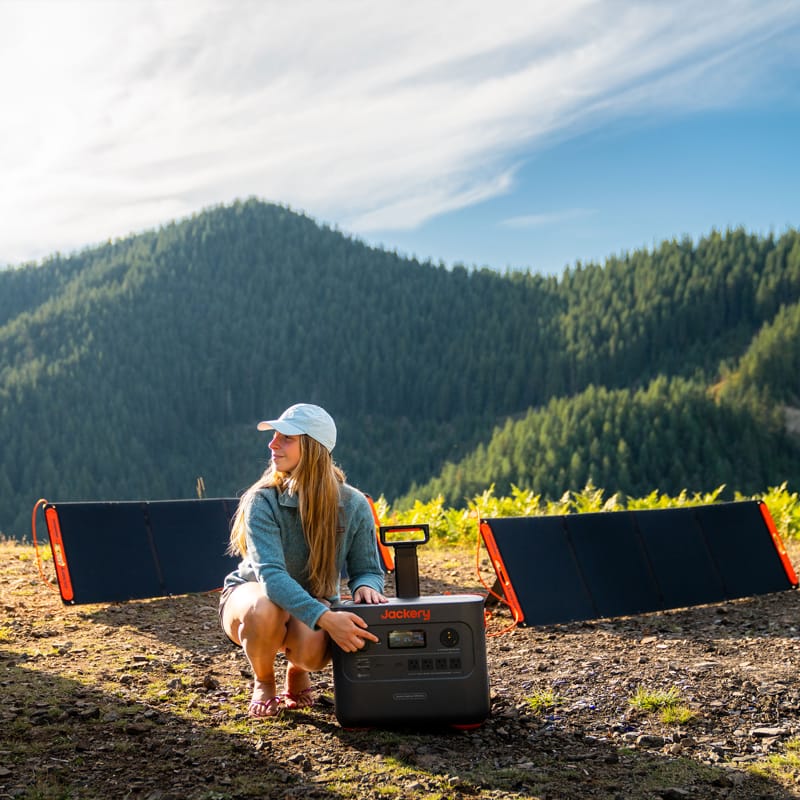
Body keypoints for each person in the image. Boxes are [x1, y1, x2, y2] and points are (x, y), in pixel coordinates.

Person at [220, 402, 388, 717]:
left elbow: (368, 569)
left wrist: (367, 586)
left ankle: (297, 669)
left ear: (312, 447)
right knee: (265, 608)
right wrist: (326, 618)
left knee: (313, 650)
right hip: (253, 594)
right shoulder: (262, 500)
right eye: (275, 436)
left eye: (286, 438)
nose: (272, 444)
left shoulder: (352, 504)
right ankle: (264, 680)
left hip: (311, 600)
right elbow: (271, 577)